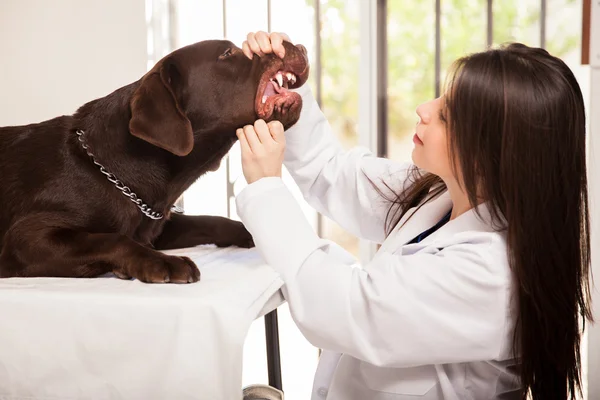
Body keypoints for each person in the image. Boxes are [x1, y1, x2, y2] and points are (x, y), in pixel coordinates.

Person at [234, 31, 593, 400]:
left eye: (447, 116)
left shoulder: (490, 275)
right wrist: (286, 88)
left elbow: (345, 309)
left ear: (491, 155)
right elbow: (333, 173)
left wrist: (265, 187)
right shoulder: (443, 192)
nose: (424, 109)